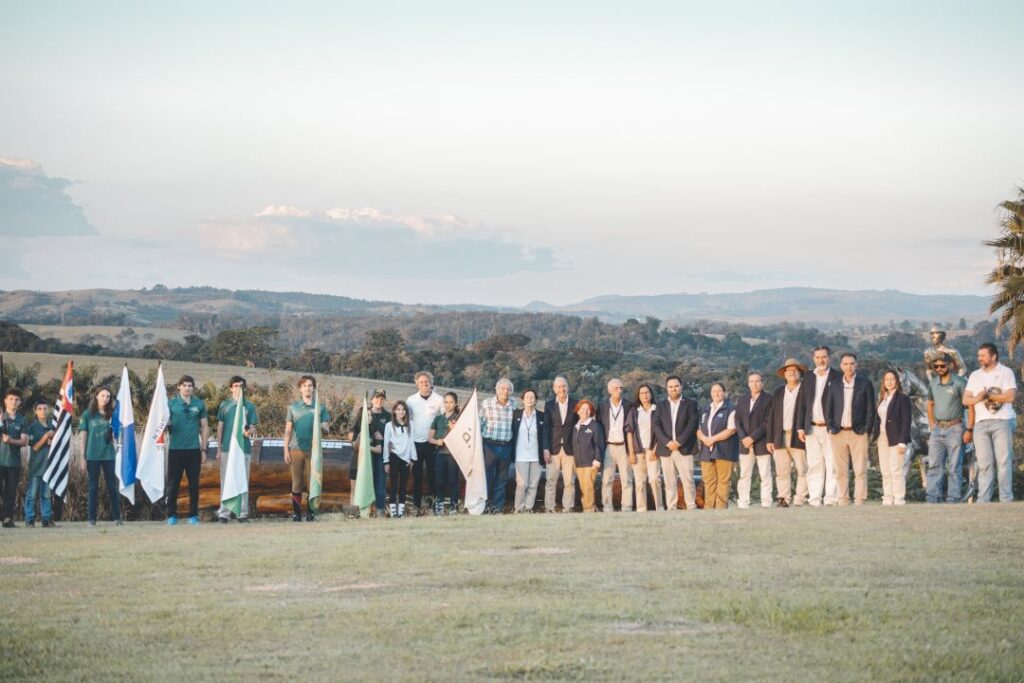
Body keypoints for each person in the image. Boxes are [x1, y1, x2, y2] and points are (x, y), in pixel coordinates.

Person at [963, 343, 1016, 503]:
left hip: (1002, 421)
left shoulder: (1006, 372)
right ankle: (983, 499)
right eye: (979, 355)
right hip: (980, 424)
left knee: (1003, 462)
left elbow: (1010, 396)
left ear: (993, 356)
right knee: (984, 463)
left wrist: (988, 396)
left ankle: (1005, 498)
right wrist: (978, 398)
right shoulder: (975, 375)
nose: (980, 358)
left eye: (983, 356)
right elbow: (966, 399)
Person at [824, 353, 876, 506]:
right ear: (841, 366)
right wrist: (830, 427)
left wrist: (867, 429)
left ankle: (860, 499)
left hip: (858, 433)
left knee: (860, 469)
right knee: (840, 470)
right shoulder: (834, 384)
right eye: (845, 364)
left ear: (856, 365)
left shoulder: (864, 384)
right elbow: (828, 408)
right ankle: (843, 499)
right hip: (838, 433)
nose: (849, 367)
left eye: (852, 363)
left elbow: (870, 410)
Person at [926, 354, 972, 503]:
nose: (939, 369)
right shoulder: (933, 383)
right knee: (934, 465)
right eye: (936, 366)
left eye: (942, 366)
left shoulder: (959, 382)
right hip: (938, 429)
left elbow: (970, 406)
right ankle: (932, 498)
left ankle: (953, 498)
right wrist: (932, 423)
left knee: (954, 466)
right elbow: (930, 404)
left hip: (955, 428)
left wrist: (969, 429)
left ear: (950, 365)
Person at [284, 375, 331, 522]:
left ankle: (311, 514)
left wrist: (324, 428)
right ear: (300, 389)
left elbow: (326, 429)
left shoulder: (320, 408)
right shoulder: (293, 408)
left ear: (314, 388)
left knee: (313, 482)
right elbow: (287, 430)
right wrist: (285, 449)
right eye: (304, 386)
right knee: (297, 482)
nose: (307, 388)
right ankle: (297, 514)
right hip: (296, 450)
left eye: (310, 385)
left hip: (314, 451)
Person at [164, 375, 209, 526]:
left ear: (193, 388)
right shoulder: (171, 404)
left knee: (194, 484)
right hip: (175, 450)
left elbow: (204, 426)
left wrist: (204, 449)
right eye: (184, 385)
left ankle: (193, 516)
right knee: (173, 484)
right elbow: (162, 424)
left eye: (190, 386)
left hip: (194, 450)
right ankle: (171, 515)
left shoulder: (199, 404)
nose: (187, 388)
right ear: (179, 387)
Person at [800, 346, 842, 506]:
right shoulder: (808, 376)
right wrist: (800, 427)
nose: (821, 360)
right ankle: (815, 498)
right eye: (817, 357)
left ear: (829, 358)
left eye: (824, 357)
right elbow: (802, 403)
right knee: (814, 464)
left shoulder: (838, 376)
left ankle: (831, 498)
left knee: (832, 464)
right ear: (813, 359)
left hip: (830, 428)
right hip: (811, 428)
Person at [652, 375, 699, 511]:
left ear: (681, 387)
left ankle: (691, 505)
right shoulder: (660, 405)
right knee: (669, 481)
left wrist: (678, 442)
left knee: (688, 479)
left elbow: (692, 424)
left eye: (676, 386)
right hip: (666, 449)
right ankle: (671, 506)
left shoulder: (691, 404)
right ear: (667, 388)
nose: (674, 388)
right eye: (671, 386)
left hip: (684, 448)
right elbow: (656, 425)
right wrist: (667, 442)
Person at [216, 376, 258, 523]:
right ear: (231, 388)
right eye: (236, 385)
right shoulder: (224, 405)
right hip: (227, 448)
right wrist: (219, 448)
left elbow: (252, 426)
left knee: (242, 480)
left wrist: (249, 431)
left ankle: (242, 513)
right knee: (225, 480)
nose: (238, 388)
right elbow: (220, 427)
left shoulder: (250, 406)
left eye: (241, 386)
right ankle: (224, 513)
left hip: (243, 449)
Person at [767, 359, 809, 507]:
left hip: (799, 436)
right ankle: (783, 498)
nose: (792, 373)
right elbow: (772, 416)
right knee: (782, 471)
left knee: (803, 469)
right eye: (788, 370)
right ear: (784, 374)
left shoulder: (806, 390)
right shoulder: (779, 392)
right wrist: (770, 439)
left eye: (795, 370)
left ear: (800, 373)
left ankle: (800, 499)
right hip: (780, 435)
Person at [78, 386, 122, 527]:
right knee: (93, 488)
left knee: (112, 487)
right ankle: (92, 519)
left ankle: (117, 517)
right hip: (92, 455)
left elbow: (118, 434)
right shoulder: (88, 414)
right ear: (96, 396)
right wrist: (82, 456)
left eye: (108, 396)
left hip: (108, 455)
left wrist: (116, 434)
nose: (105, 398)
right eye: (103, 395)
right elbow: (83, 436)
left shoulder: (112, 414)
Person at [348, 389, 391, 517]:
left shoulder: (388, 416)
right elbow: (352, 437)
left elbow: (388, 435)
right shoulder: (366, 413)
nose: (379, 400)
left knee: (380, 483)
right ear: (372, 399)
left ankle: (379, 511)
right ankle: (358, 512)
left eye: (382, 398)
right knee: (360, 485)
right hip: (363, 457)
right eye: (377, 398)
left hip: (381, 454)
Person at [873, 369, 913, 506]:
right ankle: (888, 498)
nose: (889, 382)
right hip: (882, 437)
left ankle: (899, 499)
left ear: (897, 381)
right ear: (883, 382)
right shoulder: (882, 399)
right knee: (885, 470)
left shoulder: (903, 398)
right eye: (886, 380)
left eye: (892, 379)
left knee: (896, 470)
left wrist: (902, 442)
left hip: (896, 438)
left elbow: (906, 421)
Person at [695, 383, 738, 509]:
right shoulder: (704, 408)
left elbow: (731, 430)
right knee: (708, 481)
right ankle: (709, 507)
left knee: (723, 481)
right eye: (714, 391)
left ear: (724, 392)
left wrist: (712, 439)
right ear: (710, 393)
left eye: (719, 391)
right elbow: (698, 429)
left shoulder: (731, 408)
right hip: (706, 450)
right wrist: (704, 439)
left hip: (725, 450)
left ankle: (720, 508)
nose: (716, 393)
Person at [406, 371, 444, 514]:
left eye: (426, 382)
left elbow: (443, 419)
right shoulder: (411, 400)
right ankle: (416, 506)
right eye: (421, 382)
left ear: (431, 383)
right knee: (417, 476)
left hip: (432, 444)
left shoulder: (439, 399)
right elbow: (406, 421)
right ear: (417, 384)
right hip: (416, 443)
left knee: (432, 475)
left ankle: (433, 505)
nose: (424, 384)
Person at [735, 372, 774, 509]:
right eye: (752, 381)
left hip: (762, 442)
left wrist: (752, 437)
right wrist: (744, 438)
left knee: (765, 474)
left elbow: (767, 422)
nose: (755, 384)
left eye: (757, 381)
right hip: (744, 444)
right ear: (748, 383)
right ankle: (743, 502)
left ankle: (766, 502)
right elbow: (737, 420)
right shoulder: (742, 399)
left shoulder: (769, 399)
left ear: (762, 383)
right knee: (744, 475)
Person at [625, 383, 663, 512]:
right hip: (638, 451)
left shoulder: (658, 410)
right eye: (642, 393)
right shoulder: (634, 411)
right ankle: (641, 509)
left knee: (654, 479)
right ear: (638, 396)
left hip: (653, 450)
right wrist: (631, 452)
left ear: (651, 394)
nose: (644, 395)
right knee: (640, 482)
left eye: (647, 392)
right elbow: (629, 432)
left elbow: (661, 431)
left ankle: (660, 508)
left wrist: (656, 449)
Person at [598, 378, 634, 512]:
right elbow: (600, 428)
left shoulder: (629, 405)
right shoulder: (602, 406)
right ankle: (607, 506)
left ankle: (627, 506)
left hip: (624, 446)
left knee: (627, 479)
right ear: (609, 390)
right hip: (608, 447)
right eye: (616, 388)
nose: (619, 390)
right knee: (607, 479)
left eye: (621, 388)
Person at [481, 378, 516, 513]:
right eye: (503, 388)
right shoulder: (487, 403)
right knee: (486, 478)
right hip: (489, 445)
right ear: (496, 389)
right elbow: (480, 423)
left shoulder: (514, 404)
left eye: (508, 389)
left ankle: (497, 507)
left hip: (506, 446)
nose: (505, 392)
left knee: (502, 479)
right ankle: (483, 506)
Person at [543, 376, 578, 513]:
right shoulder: (549, 405)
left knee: (569, 481)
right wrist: (546, 449)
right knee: (551, 480)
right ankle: (549, 508)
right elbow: (546, 428)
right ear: (554, 389)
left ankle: (567, 508)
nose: (561, 389)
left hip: (570, 449)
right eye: (558, 386)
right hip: (553, 449)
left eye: (563, 386)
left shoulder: (576, 404)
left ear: (567, 387)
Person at [511, 388, 547, 513]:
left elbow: (545, 436)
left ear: (536, 400)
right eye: (527, 397)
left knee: (533, 484)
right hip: (520, 455)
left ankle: (528, 508)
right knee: (522, 484)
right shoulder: (515, 414)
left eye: (532, 397)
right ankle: (518, 508)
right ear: (522, 400)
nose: (530, 399)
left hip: (536, 456)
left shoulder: (542, 416)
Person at [428, 392, 462, 515]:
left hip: (453, 454)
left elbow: (464, 437)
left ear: (456, 403)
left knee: (453, 481)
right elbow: (430, 438)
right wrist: (437, 441)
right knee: (440, 481)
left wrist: (455, 429)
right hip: (440, 454)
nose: (448, 405)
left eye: (451, 402)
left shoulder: (459, 418)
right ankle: (439, 507)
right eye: (446, 402)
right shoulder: (438, 419)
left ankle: (454, 507)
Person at [24, 398, 56, 528]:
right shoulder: (33, 427)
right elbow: (35, 447)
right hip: (37, 466)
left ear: (48, 409)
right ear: (35, 411)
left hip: (48, 466)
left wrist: (51, 440)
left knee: (46, 495)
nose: (42, 411)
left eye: (45, 408)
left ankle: (46, 518)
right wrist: (46, 437)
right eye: (39, 409)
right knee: (32, 494)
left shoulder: (52, 426)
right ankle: (29, 519)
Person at [383, 400, 417, 518]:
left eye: (403, 409)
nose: (401, 412)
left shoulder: (411, 424)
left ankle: (401, 512)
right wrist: (386, 461)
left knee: (403, 485)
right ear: (394, 411)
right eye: (398, 409)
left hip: (406, 459)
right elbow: (386, 443)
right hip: (394, 457)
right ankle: (393, 511)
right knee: (394, 485)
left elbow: (412, 442)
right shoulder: (389, 425)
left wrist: (413, 458)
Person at [0, 388, 28, 528]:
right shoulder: (0, 417)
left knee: (10, 492)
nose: (13, 402)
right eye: (10, 399)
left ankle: (7, 519)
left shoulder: (22, 420)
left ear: (20, 402)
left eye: (16, 399)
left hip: (13, 463)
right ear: (5, 400)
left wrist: (10, 440)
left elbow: (24, 442)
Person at [571, 399, 605, 512]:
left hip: (591, 462)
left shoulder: (595, 426)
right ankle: (591, 507)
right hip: (579, 462)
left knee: (588, 487)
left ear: (591, 412)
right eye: (582, 409)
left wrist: (597, 459)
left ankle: (588, 509)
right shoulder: (576, 427)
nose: (585, 411)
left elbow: (599, 444)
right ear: (578, 411)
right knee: (583, 488)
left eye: (587, 409)